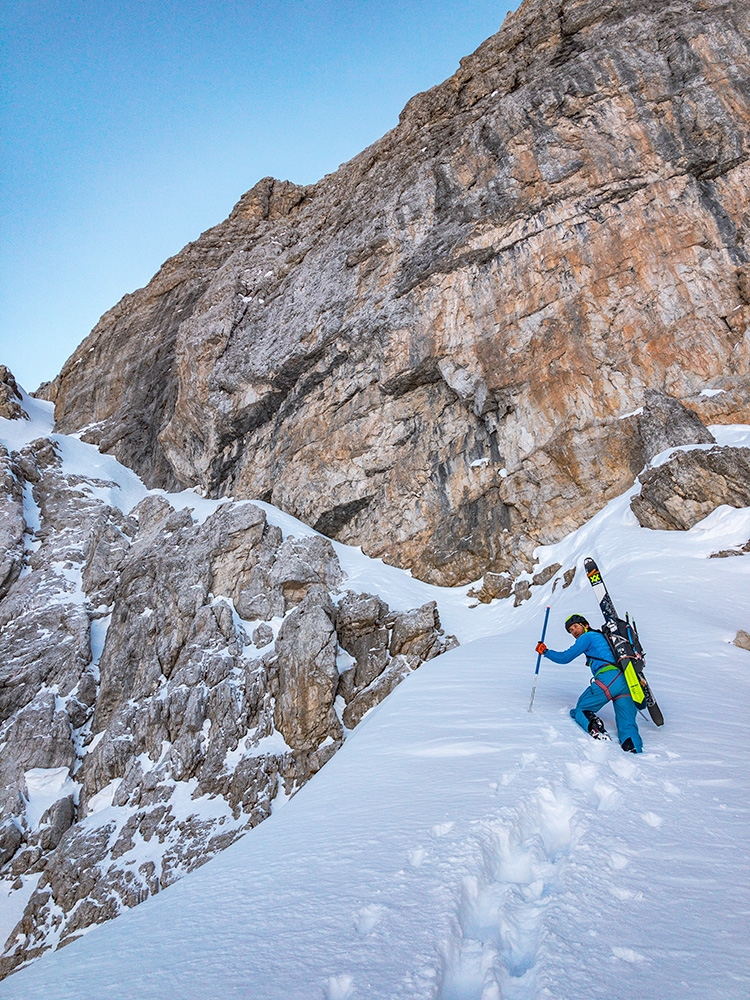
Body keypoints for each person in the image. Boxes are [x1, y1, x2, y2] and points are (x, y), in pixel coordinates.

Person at [535, 613, 642, 753]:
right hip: (626, 681)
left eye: (575, 627)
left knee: (581, 709)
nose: (574, 631)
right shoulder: (602, 637)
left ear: (585, 625)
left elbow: (565, 657)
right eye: (571, 630)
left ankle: (595, 728)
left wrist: (545, 652)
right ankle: (635, 750)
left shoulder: (588, 636)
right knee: (627, 723)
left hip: (608, 678)